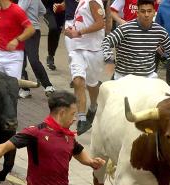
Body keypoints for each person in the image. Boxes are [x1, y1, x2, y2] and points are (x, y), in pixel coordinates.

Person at [102, 0, 170, 83]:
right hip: (124, 76)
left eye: (149, 11)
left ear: (154, 12)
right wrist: (109, 60)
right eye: (143, 11)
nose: (146, 15)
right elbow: (106, 42)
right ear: (137, 13)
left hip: (148, 76)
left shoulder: (160, 31)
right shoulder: (125, 29)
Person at [64, 0, 105, 135]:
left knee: (92, 85)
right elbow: (80, 21)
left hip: (93, 50)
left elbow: (100, 23)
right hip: (77, 48)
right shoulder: (81, 1)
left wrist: (79, 32)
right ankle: (81, 119)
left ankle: (93, 107)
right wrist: (71, 31)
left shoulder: (93, 2)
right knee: (77, 81)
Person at [0, 0, 35, 83]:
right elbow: (2, 32)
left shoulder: (16, 10)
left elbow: (31, 29)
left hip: (13, 57)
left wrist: (17, 40)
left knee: (11, 87)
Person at [18, 0, 56, 98]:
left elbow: (18, 12)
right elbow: (43, 11)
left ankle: (48, 86)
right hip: (32, 31)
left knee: (32, 60)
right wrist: (32, 15)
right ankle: (25, 88)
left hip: (28, 31)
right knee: (21, 61)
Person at [42, 0, 65, 71]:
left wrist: (63, 4)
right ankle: (50, 56)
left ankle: (51, 56)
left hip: (61, 11)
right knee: (53, 28)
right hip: (48, 9)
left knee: (57, 33)